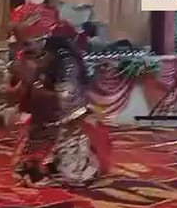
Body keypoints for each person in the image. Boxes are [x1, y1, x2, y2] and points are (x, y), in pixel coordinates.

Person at [10, 32, 110, 188]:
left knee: (73, 175)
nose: (23, 49)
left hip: (68, 120)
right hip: (43, 118)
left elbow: (65, 101)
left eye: (27, 44)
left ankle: (67, 160)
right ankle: (43, 163)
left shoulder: (67, 63)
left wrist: (33, 83)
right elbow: (22, 99)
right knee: (26, 164)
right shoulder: (32, 59)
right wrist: (24, 82)